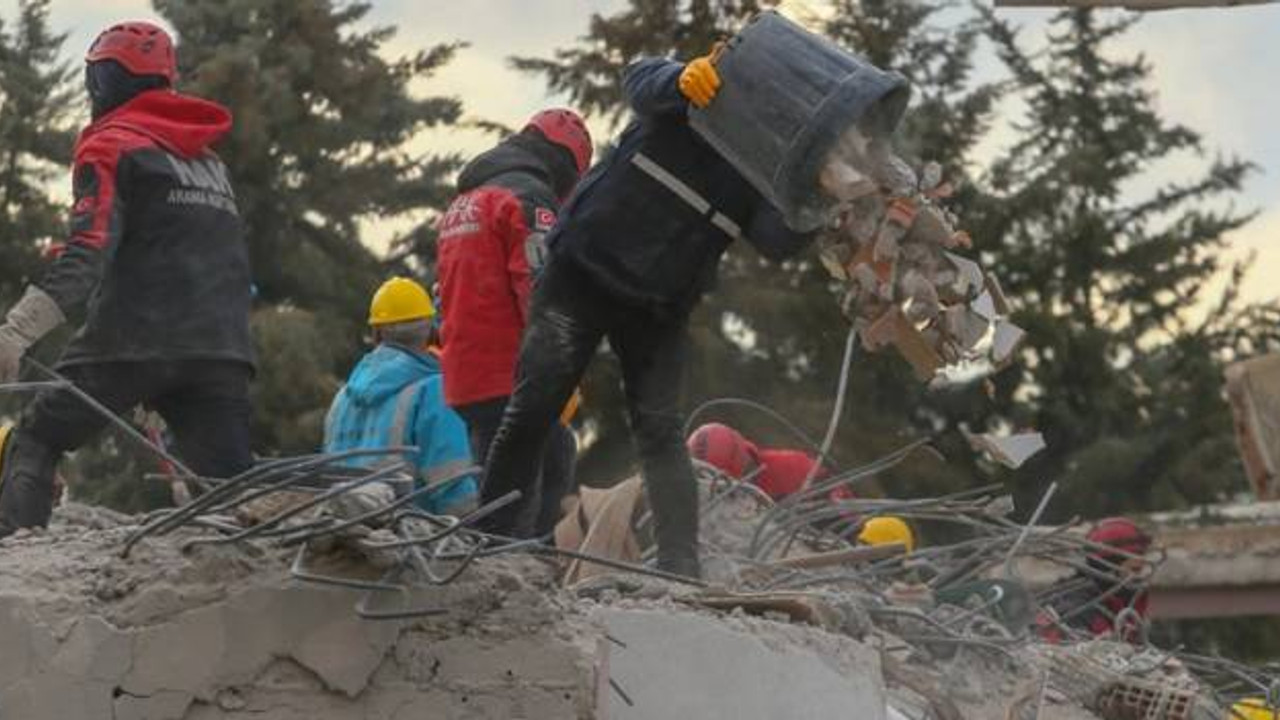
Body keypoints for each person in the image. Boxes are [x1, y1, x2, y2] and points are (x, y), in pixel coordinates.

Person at [477, 49, 820, 578]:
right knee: (533, 408)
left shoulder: (761, 166)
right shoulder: (691, 98)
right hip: (582, 272)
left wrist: (815, 203)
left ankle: (681, 569)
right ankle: (487, 546)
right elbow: (640, 77)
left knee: (660, 431)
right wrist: (679, 79)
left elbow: (776, 239)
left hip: (658, 305)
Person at [0, 22, 254, 537]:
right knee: (232, 495)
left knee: (36, 435)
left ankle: (15, 569)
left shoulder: (112, 144)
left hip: (131, 341)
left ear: (107, 83)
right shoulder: (210, 164)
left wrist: (16, 331)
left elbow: (87, 252)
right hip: (221, 349)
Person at [435, 109, 592, 535]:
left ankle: (528, 563)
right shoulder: (527, 197)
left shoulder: (463, 204)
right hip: (508, 375)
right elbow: (541, 288)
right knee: (512, 498)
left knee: (556, 452)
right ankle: (501, 576)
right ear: (564, 160)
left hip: (466, 373)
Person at [324, 278, 478, 516]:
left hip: (345, 524)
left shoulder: (342, 398)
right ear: (430, 328)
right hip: (411, 533)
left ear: (376, 333)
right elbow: (452, 483)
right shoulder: (434, 390)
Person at [1037, 516, 1153, 644]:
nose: (1140, 578)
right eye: (1135, 570)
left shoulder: (1118, 604)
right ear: (1108, 567)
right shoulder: (1075, 609)